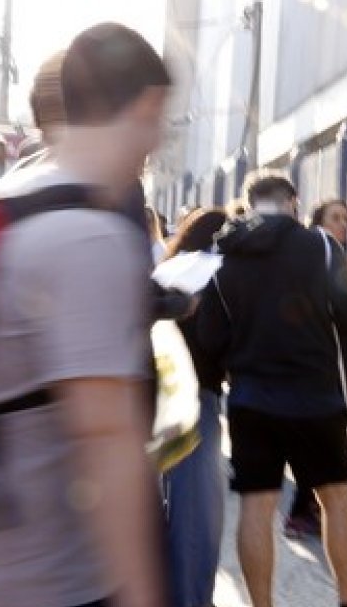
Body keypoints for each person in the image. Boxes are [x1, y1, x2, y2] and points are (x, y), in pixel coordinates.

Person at [0, 22, 171, 607]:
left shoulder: (10, 196)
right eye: (162, 117)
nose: (162, 135)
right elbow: (108, 438)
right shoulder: (89, 237)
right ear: (146, 105)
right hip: (31, 580)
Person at [195, 171, 347, 607]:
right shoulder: (322, 246)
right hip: (318, 396)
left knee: (257, 505)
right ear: (294, 201)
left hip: (253, 398)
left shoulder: (224, 253)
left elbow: (211, 336)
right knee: (335, 496)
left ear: (249, 203)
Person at [284, 198, 347, 540]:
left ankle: (309, 507)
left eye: (346, 218)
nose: (342, 224)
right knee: (325, 437)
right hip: (328, 361)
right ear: (317, 219)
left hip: (318, 360)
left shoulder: (316, 251)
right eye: (336, 217)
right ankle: (305, 510)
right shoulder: (325, 249)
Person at [161, 207, 231, 607]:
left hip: (153, 395)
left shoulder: (170, 267)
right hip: (194, 397)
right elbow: (214, 340)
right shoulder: (216, 272)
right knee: (196, 516)